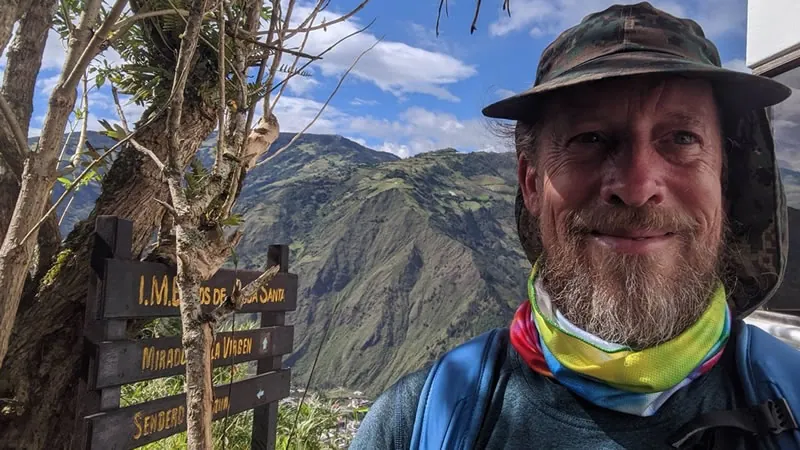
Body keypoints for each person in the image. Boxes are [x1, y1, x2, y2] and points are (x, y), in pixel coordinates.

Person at [349, 2, 800, 449]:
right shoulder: (416, 423)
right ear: (531, 182)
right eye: (590, 139)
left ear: (724, 179)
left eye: (682, 138)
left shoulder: (792, 394)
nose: (637, 186)